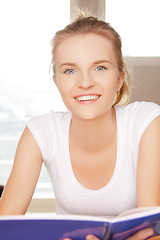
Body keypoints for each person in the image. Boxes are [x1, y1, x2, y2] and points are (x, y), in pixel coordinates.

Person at [0, 12, 160, 240]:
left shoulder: (146, 121)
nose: (85, 83)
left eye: (100, 68)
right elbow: (5, 228)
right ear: (56, 81)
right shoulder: (40, 133)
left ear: (119, 78)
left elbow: (152, 229)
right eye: (70, 70)